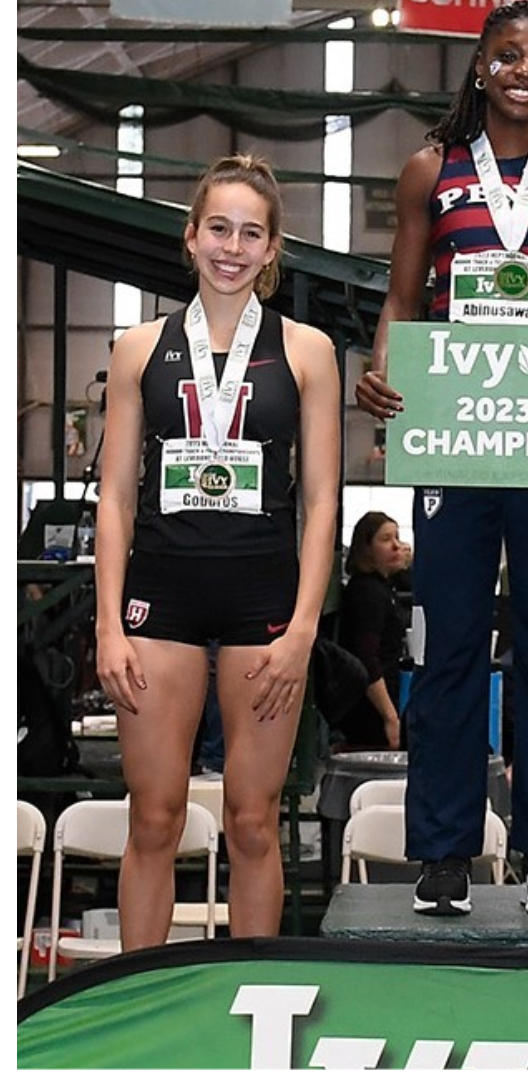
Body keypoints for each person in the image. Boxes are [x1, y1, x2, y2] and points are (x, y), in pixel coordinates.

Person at [354, 0, 528, 916]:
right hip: (458, 431)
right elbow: (401, 297)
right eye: (508, 55)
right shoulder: (430, 171)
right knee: (449, 646)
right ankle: (443, 852)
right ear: (479, 65)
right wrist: (383, 375)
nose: (525, 71)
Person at [93, 154, 340, 946]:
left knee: (253, 820)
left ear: (273, 250)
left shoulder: (308, 351)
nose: (232, 247)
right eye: (219, 229)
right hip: (157, 600)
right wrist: (106, 626)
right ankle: (141, 1002)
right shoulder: (136, 348)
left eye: (252, 234)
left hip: (262, 604)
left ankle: (252, 1001)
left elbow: (323, 500)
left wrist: (304, 628)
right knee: (156, 816)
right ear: (191, 236)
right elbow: (117, 497)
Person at [335, 511, 408, 751]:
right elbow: (367, 657)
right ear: (366, 548)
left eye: (397, 537)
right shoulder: (367, 593)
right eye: (386, 539)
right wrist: (390, 716)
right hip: (372, 707)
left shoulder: (385, 588)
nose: (397, 546)